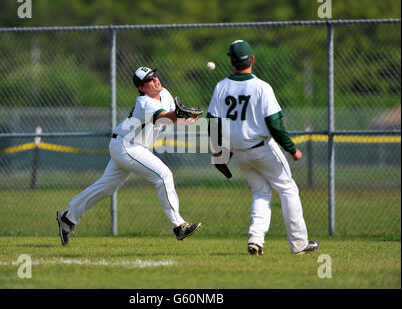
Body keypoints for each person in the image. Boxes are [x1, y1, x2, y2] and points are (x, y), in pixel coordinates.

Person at [56, 66, 202, 246]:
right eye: (150, 79)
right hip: (128, 146)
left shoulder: (164, 93)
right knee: (163, 176)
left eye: (155, 75)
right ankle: (179, 225)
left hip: (129, 145)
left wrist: (189, 118)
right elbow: (164, 116)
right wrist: (179, 115)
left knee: (107, 187)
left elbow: (175, 117)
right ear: (141, 87)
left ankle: (68, 217)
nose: (155, 80)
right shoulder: (144, 103)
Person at [207, 40, 319, 255]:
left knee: (261, 191)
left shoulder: (221, 86)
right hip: (262, 148)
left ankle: (255, 240)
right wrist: (291, 149)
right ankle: (299, 243)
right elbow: (275, 123)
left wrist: (218, 150)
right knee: (288, 190)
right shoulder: (261, 86)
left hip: (239, 152)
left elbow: (212, 122)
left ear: (231, 62)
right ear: (253, 60)